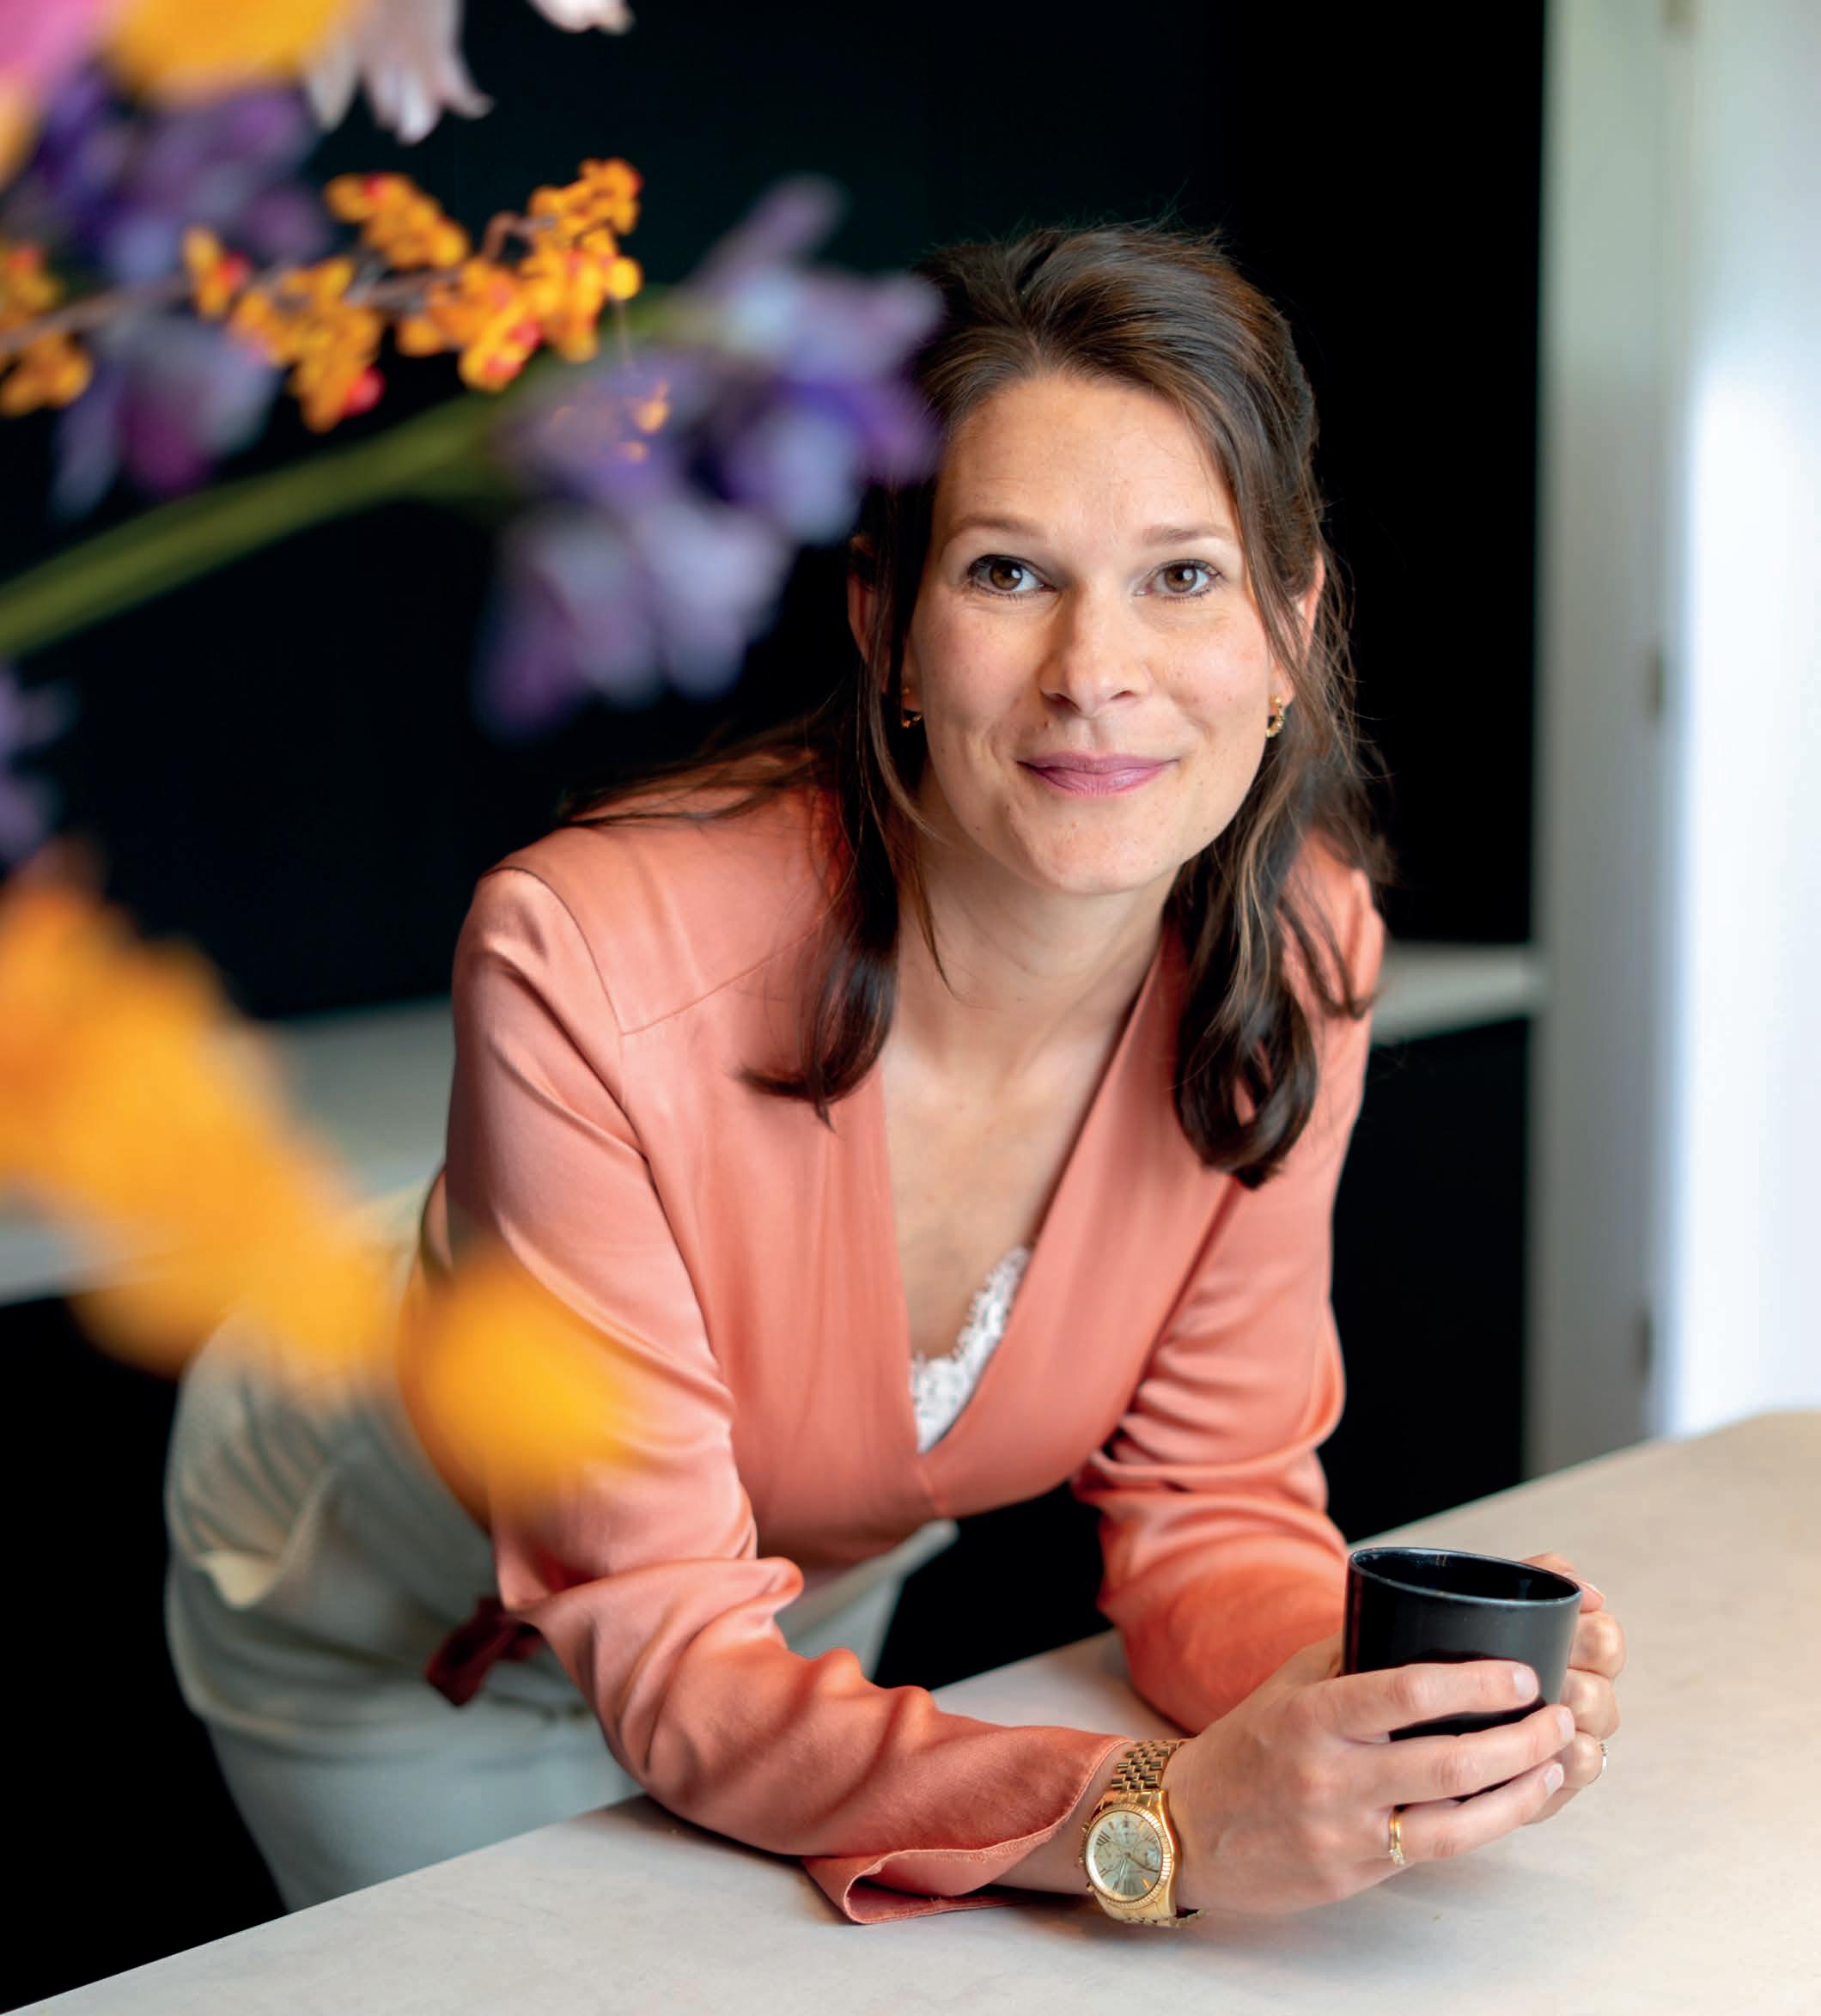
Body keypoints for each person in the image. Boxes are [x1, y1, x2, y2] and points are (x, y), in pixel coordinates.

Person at [164, 219, 1625, 1923]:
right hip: (386, 1617)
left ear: (1291, 627)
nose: (1098, 673)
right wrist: (1154, 1818)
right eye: (1008, 573)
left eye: (1183, 576)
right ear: (888, 620)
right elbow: (669, 1638)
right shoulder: (583, 952)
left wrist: (1361, 1707)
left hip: (783, 1626)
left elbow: (1213, 1505)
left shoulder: (1297, 954)